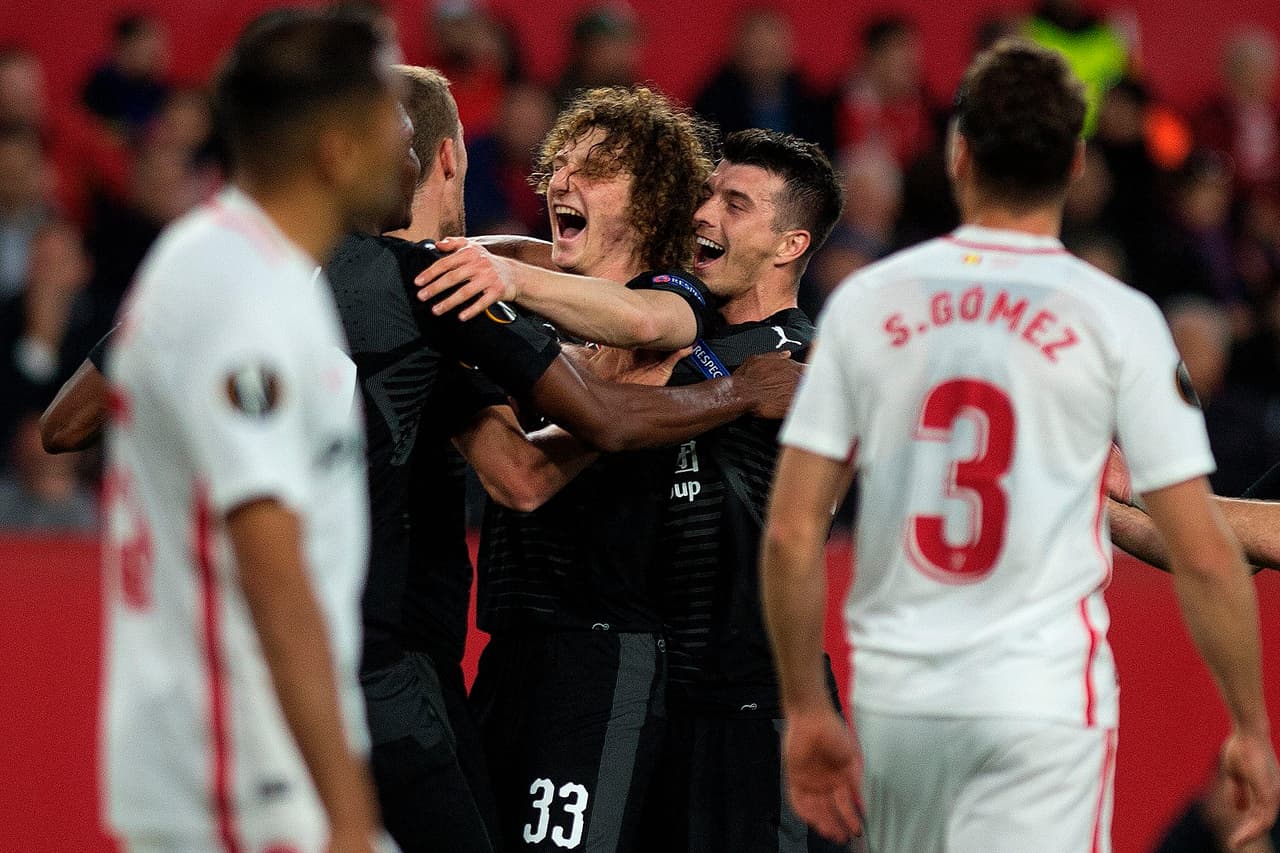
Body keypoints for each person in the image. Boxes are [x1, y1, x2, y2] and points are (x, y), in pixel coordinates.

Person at [759, 38, 1280, 853]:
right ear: (1077, 163)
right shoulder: (1119, 318)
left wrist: (804, 707)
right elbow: (1209, 555)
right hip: (1045, 697)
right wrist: (1249, 723)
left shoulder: (866, 303)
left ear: (957, 152)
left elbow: (792, 531)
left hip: (904, 695)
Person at [100, 10, 404, 853]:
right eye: (389, 111)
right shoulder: (240, 291)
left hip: (245, 755)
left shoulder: (245, 263)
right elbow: (269, 562)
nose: (406, 132)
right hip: (236, 765)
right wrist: (348, 813)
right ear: (335, 149)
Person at [637, 129, 847, 853]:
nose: (703, 214)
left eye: (734, 203)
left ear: (789, 244)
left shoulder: (812, 364)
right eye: (706, 195)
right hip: (653, 708)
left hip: (754, 713)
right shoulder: (659, 332)